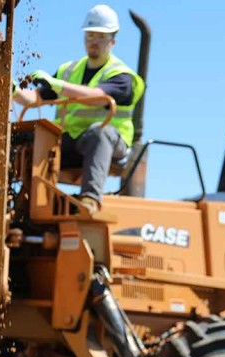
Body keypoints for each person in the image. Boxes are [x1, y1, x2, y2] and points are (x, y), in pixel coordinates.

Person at [13, 4, 145, 213]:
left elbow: (97, 97)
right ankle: (18, 201)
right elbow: (35, 97)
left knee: (98, 134)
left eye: (100, 36)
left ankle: (90, 200)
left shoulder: (122, 76)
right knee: (30, 137)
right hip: (69, 141)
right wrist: (12, 90)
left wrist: (57, 85)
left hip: (109, 145)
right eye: (90, 34)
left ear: (112, 41)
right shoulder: (69, 70)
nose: (94, 40)